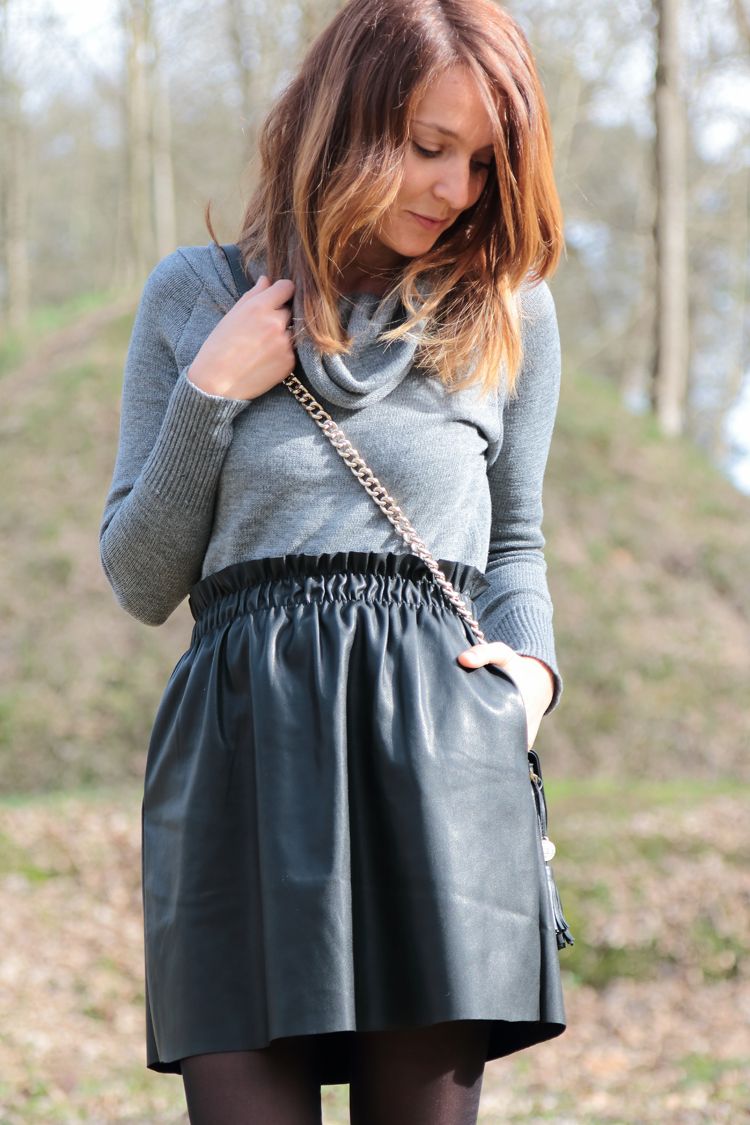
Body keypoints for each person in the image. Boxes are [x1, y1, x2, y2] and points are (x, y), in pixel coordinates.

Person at [100, 0, 568, 1121]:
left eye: (482, 162)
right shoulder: (196, 296)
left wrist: (533, 682)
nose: (454, 188)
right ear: (344, 120)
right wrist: (211, 391)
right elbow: (139, 578)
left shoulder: (507, 311)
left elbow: (515, 543)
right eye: (428, 144)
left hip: (440, 765)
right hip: (240, 761)